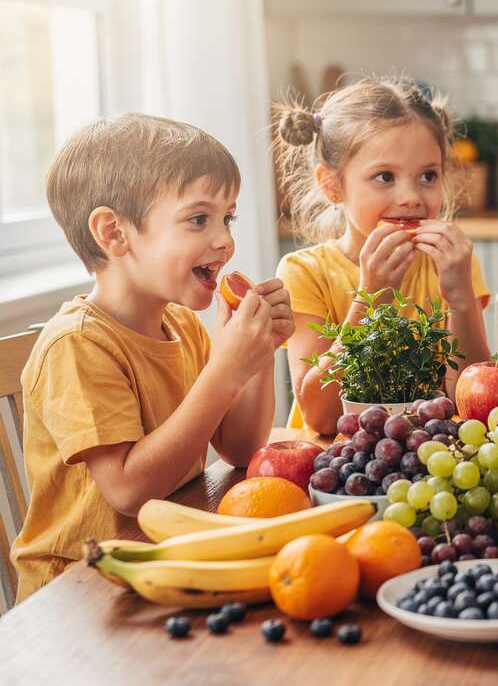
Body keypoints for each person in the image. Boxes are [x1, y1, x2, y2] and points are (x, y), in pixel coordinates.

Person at [11, 113, 290, 601]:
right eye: (198, 219)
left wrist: (258, 355)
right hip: (77, 591)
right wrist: (226, 370)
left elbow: (241, 449)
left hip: (164, 558)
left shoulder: (179, 323)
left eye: (228, 217)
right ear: (113, 233)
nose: (224, 239)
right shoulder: (77, 345)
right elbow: (127, 490)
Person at [274, 76, 490, 434]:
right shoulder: (303, 272)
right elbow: (322, 417)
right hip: (336, 467)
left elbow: (474, 404)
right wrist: (372, 297)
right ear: (332, 184)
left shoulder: (450, 264)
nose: (411, 197)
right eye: (385, 176)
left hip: (427, 460)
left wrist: (461, 298)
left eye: (428, 176)